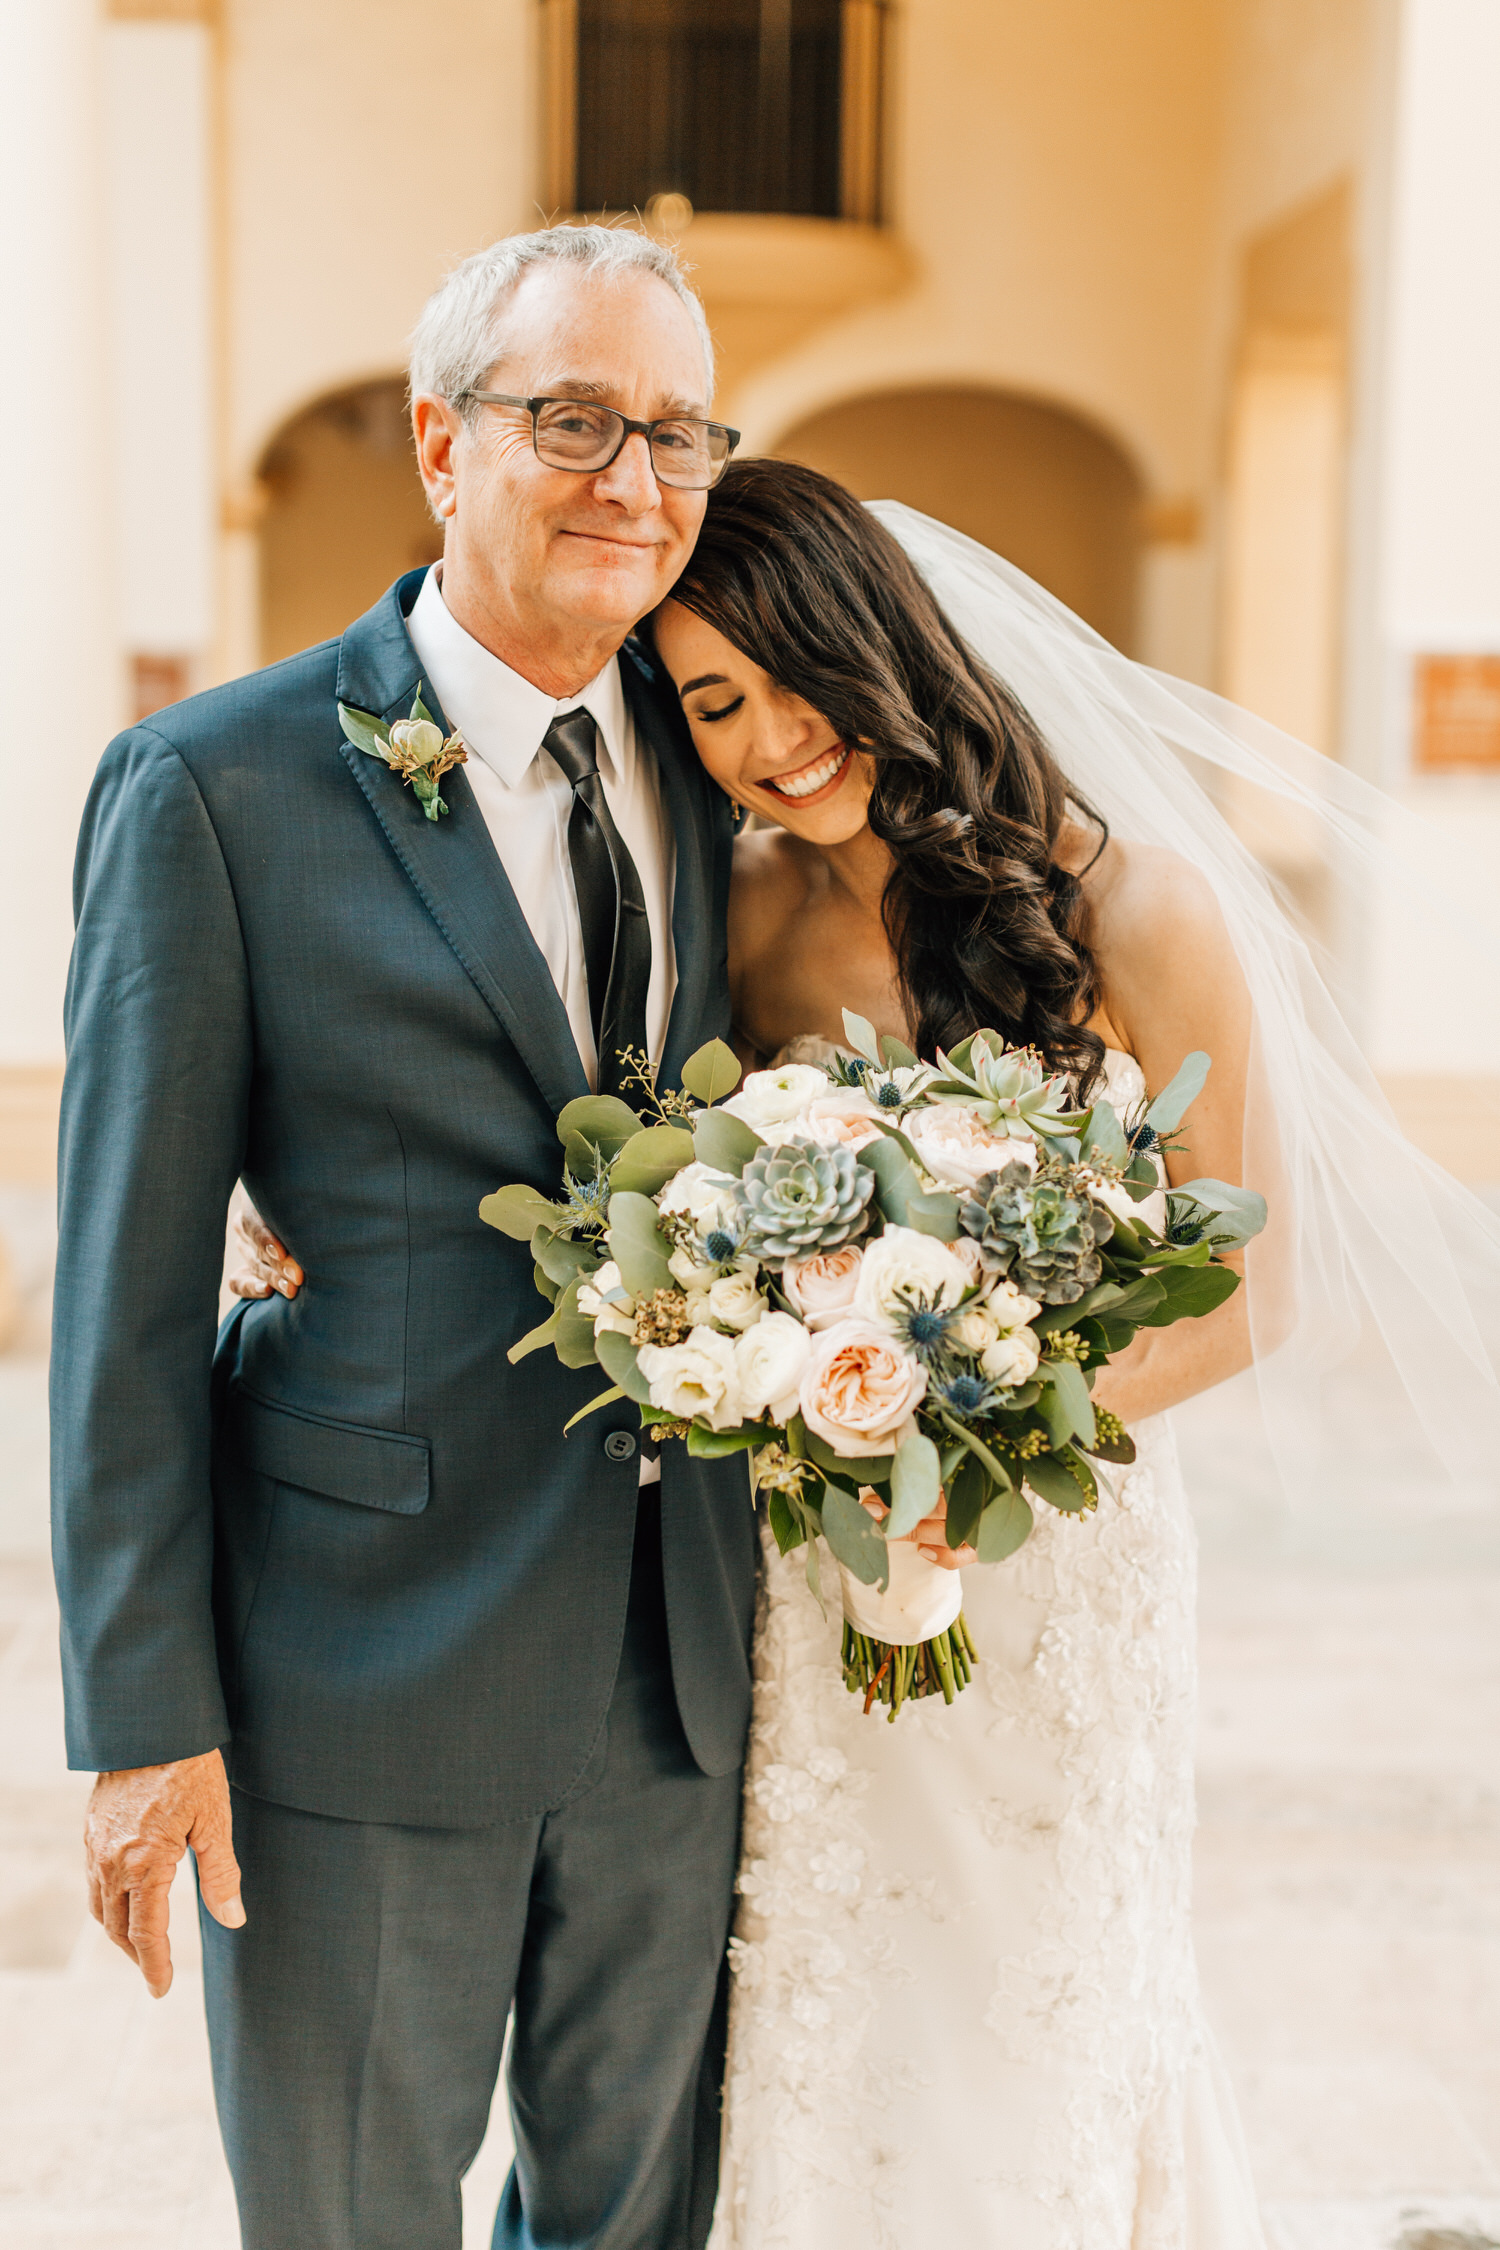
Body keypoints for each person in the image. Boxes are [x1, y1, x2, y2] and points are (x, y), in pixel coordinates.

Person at [232, 459, 1500, 2250]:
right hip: (810, 1552)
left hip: (1052, 1544)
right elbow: (603, 1143)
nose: (770, 738)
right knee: (823, 1974)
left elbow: (1252, 1284)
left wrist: (970, 1447)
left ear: (882, 640)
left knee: (1037, 1970)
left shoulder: (1142, 912)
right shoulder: (736, 906)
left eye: (790, 672)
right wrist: (313, 1208)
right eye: (713, 703)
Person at [52, 225, 758, 2250]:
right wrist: (138, 1714)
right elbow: (121, 1282)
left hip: (679, 1667)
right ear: (443, 446)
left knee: (635, 2223)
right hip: (355, 1670)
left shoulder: (720, 770)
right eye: (574, 420)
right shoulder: (214, 787)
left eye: (678, 433)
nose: (633, 480)